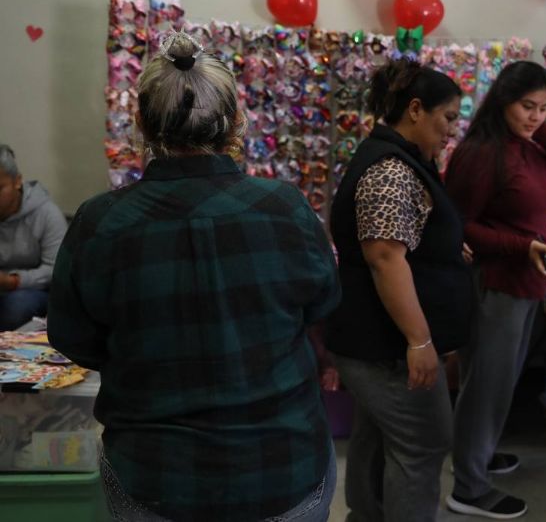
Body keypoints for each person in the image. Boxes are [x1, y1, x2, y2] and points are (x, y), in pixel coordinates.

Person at [47, 32, 340, 522]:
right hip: (284, 469)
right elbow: (322, 307)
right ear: (237, 122)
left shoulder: (101, 222)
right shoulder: (284, 208)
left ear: (139, 122)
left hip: (156, 477)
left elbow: (75, 337)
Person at [325, 58, 473, 522]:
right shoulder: (391, 168)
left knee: (381, 435)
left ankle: (365, 515)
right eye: (447, 117)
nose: (451, 130)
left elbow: (401, 241)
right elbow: (385, 256)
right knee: (423, 441)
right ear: (415, 109)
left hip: (378, 341)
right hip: (385, 343)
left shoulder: (400, 160)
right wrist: (420, 340)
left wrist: (448, 249)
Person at [444, 61, 546, 519]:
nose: (536, 117)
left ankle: (477, 456)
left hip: (525, 281)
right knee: (485, 384)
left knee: (498, 380)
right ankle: (467, 486)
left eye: (544, 109)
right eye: (527, 106)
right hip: (495, 281)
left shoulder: (527, 147)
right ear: (503, 100)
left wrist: (540, 131)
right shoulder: (483, 153)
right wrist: (519, 245)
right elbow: (457, 224)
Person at [0, 144, 67, 330]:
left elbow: (56, 270)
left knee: (17, 306)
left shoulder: (46, 214)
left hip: (34, 291)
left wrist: (13, 281)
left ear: (17, 181)